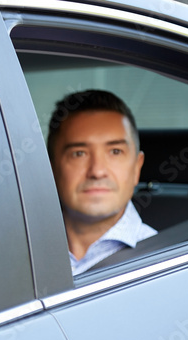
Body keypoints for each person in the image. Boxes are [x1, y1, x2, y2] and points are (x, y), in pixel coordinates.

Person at [47, 89, 156, 275]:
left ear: (137, 168)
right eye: (79, 154)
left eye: (115, 152)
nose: (97, 171)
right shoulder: (7, 254)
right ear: (50, 167)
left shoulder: (169, 261)